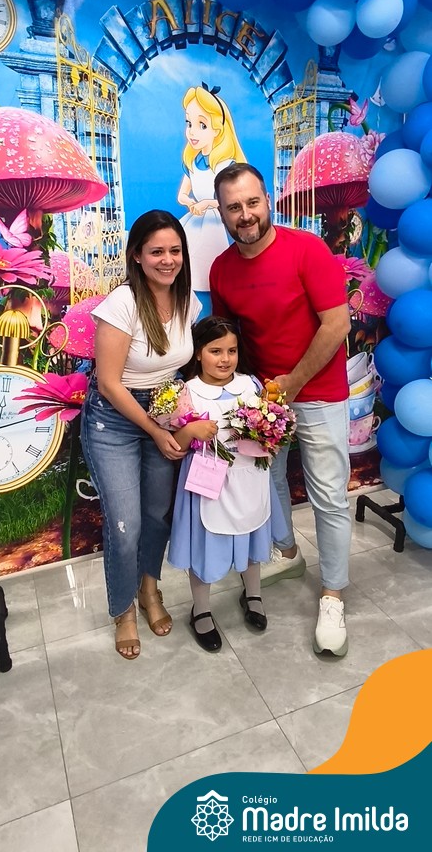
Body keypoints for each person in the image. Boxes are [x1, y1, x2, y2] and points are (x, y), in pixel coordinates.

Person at [209, 163, 351, 657]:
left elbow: (336, 324)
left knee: (328, 496)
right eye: (233, 207)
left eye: (252, 203)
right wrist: (236, 394)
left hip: (319, 393)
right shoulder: (222, 269)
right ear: (221, 213)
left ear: (266, 200)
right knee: (267, 483)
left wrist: (293, 382)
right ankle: (287, 552)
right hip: (262, 401)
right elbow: (229, 340)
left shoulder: (307, 249)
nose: (245, 215)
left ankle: (333, 595)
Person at [81, 210, 201, 661]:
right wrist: (152, 428)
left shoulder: (188, 302)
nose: (168, 260)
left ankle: (150, 590)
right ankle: (123, 609)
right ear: (137, 255)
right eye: (157, 252)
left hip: (163, 413)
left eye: (175, 250)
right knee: (125, 525)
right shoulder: (123, 303)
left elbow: (179, 367)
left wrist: (180, 417)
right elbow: (110, 383)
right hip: (114, 420)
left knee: (157, 516)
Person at [168, 316, 286, 653]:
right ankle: (201, 610)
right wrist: (190, 431)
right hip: (208, 485)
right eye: (215, 351)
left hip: (250, 479)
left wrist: (271, 433)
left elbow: (271, 428)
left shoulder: (251, 385)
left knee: (252, 535)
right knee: (204, 545)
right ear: (198, 353)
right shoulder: (186, 392)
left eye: (231, 351)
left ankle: (253, 594)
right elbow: (174, 445)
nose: (225, 359)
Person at [177, 83, 246, 291]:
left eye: (202, 125)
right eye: (189, 123)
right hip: (194, 220)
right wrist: (190, 203)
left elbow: (234, 200)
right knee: (185, 266)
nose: (192, 132)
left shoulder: (227, 165)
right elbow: (182, 194)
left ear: (218, 128)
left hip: (215, 224)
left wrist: (208, 203)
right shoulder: (192, 162)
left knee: (209, 270)